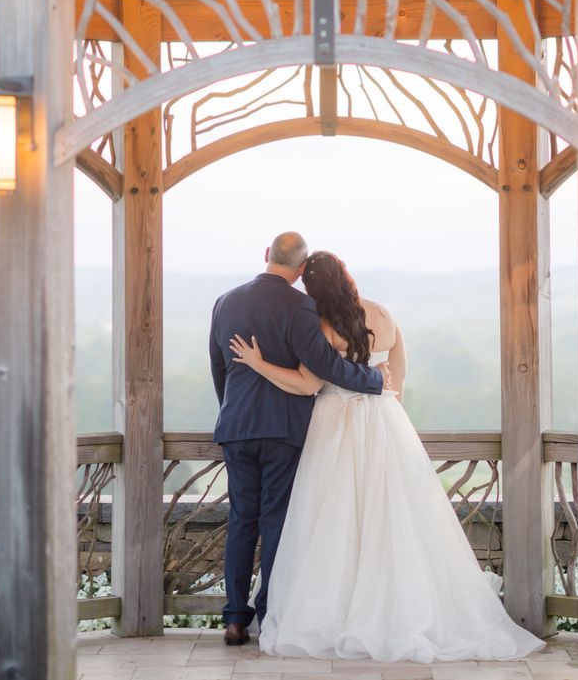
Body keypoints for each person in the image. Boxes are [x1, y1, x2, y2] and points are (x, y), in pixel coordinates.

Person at [226, 250, 544, 663]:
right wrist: (388, 419)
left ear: (311, 286)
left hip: (335, 427)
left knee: (333, 521)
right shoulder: (384, 315)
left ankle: (334, 611)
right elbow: (400, 378)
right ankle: (399, 609)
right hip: (387, 424)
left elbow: (307, 386)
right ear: (347, 275)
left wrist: (258, 363)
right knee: (391, 521)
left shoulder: (321, 325)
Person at [207, 231, 387, 646]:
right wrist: (374, 380)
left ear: (267, 254)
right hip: (284, 428)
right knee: (274, 522)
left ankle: (234, 620)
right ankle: (270, 615)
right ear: (302, 268)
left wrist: (232, 411)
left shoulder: (225, 301)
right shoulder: (301, 306)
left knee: (241, 520)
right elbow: (325, 365)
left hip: (236, 428)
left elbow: (219, 368)